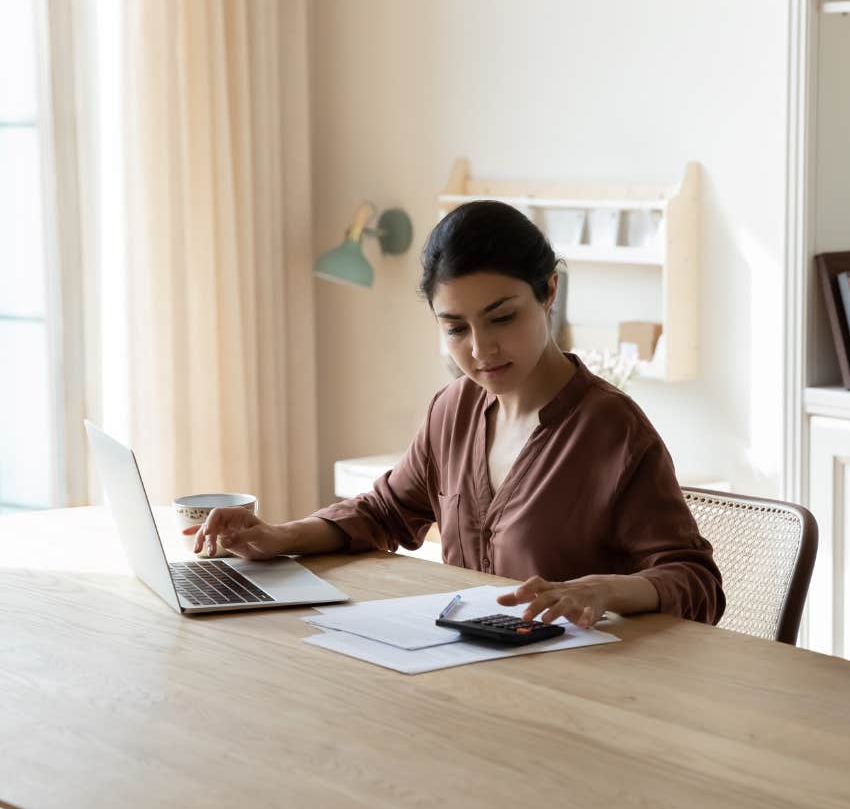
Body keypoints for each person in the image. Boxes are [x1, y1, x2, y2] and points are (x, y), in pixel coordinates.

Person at [189, 200, 725, 628]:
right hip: (463, 677)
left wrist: (604, 589)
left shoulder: (613, 430)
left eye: (503, 318)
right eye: (456, 328)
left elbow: (697, 582)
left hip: (586, 697)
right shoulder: (454, 410)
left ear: (549, 293)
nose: (481, 349)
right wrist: (282, 536)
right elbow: (382, 512)